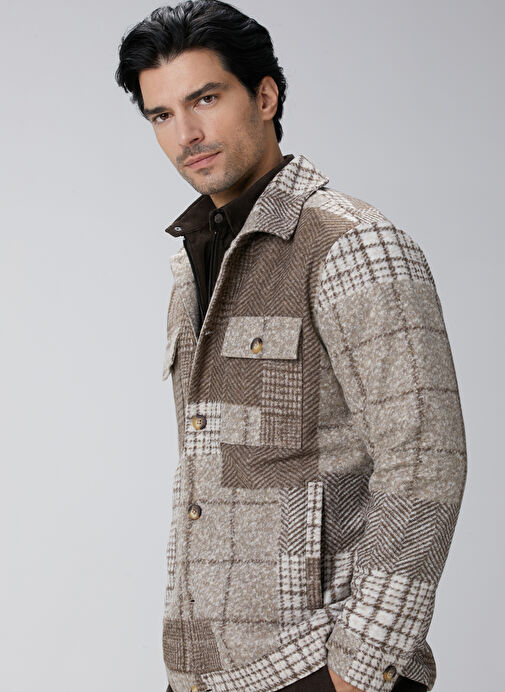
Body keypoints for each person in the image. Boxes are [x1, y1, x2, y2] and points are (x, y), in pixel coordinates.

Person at [114, 2, 467, 691]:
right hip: (209, 670)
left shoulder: (351, 244)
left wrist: (362, 668)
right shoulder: (192, 262)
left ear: (265, 96)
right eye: (161, 115)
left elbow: (425, 462)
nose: (186, 134)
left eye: (205, 99)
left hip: (317, 664)